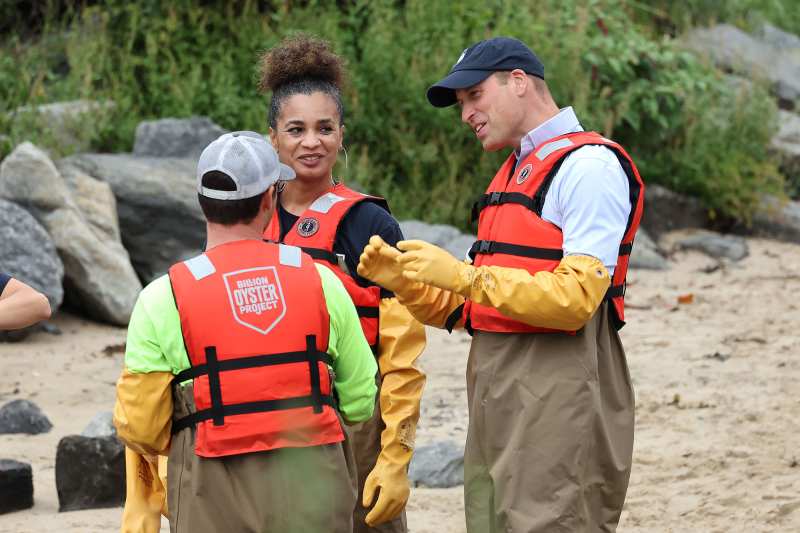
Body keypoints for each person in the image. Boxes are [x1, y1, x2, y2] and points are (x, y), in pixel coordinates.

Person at [358, 37, 645, 532]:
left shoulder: (588, 168)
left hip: (560, 386)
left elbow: (577, 299)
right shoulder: (514, 172)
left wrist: (465, 276)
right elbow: (463, 307)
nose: (465, 113)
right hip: (497, 386)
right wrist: (405, 283)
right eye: (461, 103)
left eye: (473, 96)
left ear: (517, 82)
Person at [113, 131, 378, 533]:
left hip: (211, 489)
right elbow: (360, 401)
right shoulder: (321, 280)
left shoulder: (162, 297)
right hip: (314, 482)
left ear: (202, 203)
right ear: (270, 199)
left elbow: (141, 428)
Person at [258, 35, 427, 533]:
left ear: (341, 133)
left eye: (324, 128)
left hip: (354, 417)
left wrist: (395, 454)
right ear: (273, 137)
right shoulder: (249, 213)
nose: (312, 142)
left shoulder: (369, 223)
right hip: (268, 411)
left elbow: (402, 352)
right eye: (296, 129)